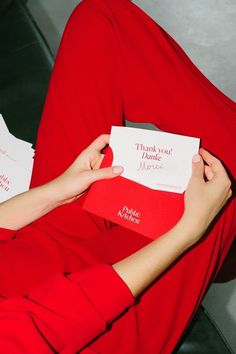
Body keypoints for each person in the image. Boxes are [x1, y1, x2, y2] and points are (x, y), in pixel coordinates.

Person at [0, 0, 235, 353]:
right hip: (98, 320)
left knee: (102, 21)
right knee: (222, 171)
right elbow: (49, 324)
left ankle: (224, 252)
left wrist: (55, 191)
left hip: (32, 242)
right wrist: (188, 232)